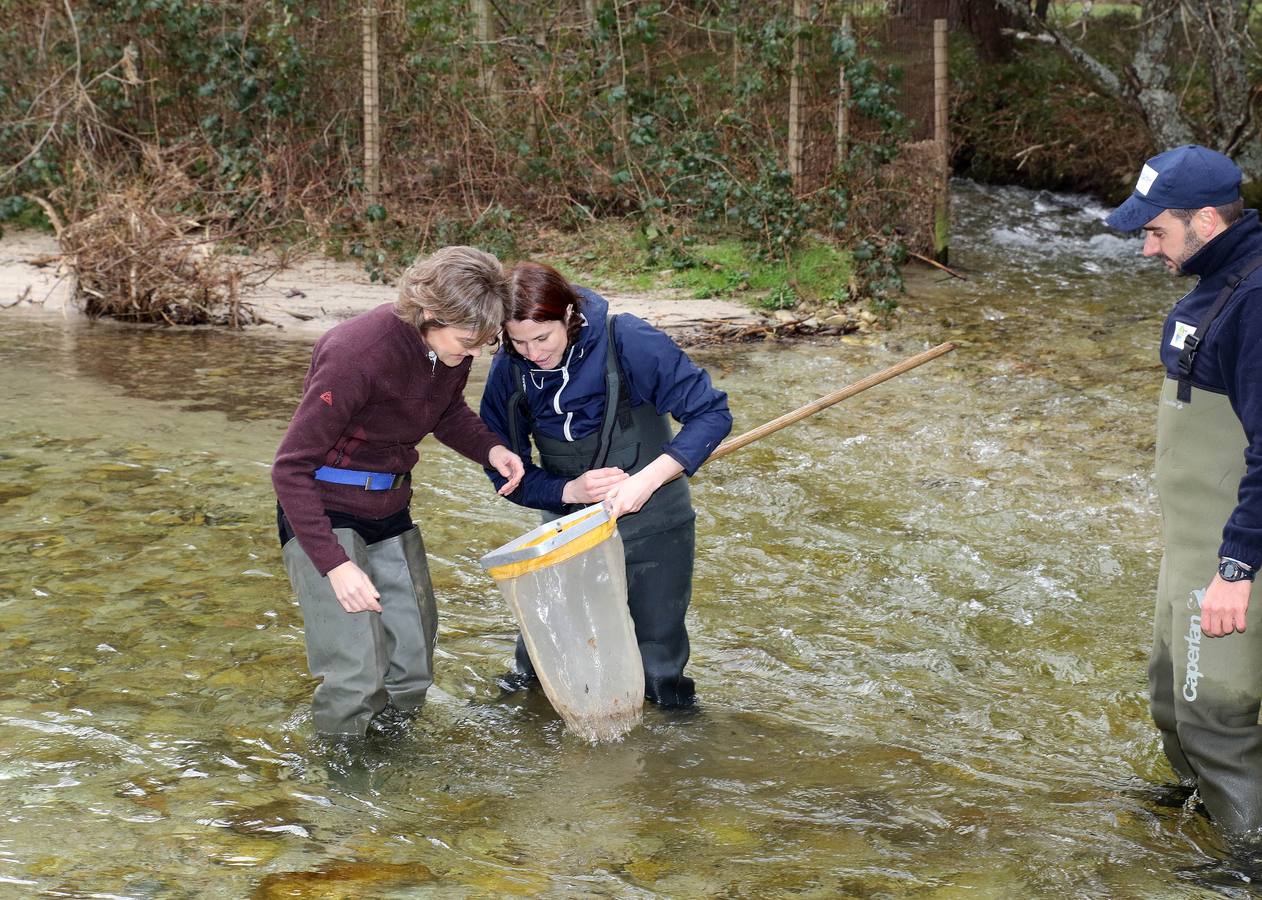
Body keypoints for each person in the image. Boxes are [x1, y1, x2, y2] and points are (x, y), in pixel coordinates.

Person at [273, 246, 525, 737]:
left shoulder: (449, 346)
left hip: (390, 508)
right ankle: (343, 787)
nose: (473, 355)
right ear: (430, 312)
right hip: (325, 513)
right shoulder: (355, 353)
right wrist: (335, 565)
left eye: (485, 344)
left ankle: (393, 758)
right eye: (468, 342)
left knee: (412, 667)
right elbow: (289, 468)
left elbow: (446, 411)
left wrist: (490, 450)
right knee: (357, 676)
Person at [479, 261, 732, 708]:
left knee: (657, 667)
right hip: (567, 535)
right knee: (540, 663)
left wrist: (647, 479)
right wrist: (566, 492)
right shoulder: (511, 371)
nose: (533, 353)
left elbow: (711, 414)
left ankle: (670, 757)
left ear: (569, 316)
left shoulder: (628, 340)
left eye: (542, 338)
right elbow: (506, 472)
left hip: (654, 526)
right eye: (517, 343)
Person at [1105, 144, 1262, 838]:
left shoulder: (1256, 302)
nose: (1146, 250)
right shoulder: (1218, 287)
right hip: (1189, 548)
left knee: (1218, 718)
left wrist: (1237, 567)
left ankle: (1247, 860)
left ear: (1205, 220)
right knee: (1172, 701)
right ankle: (1202, 804)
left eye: (1155, 231)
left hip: (1229, 557)